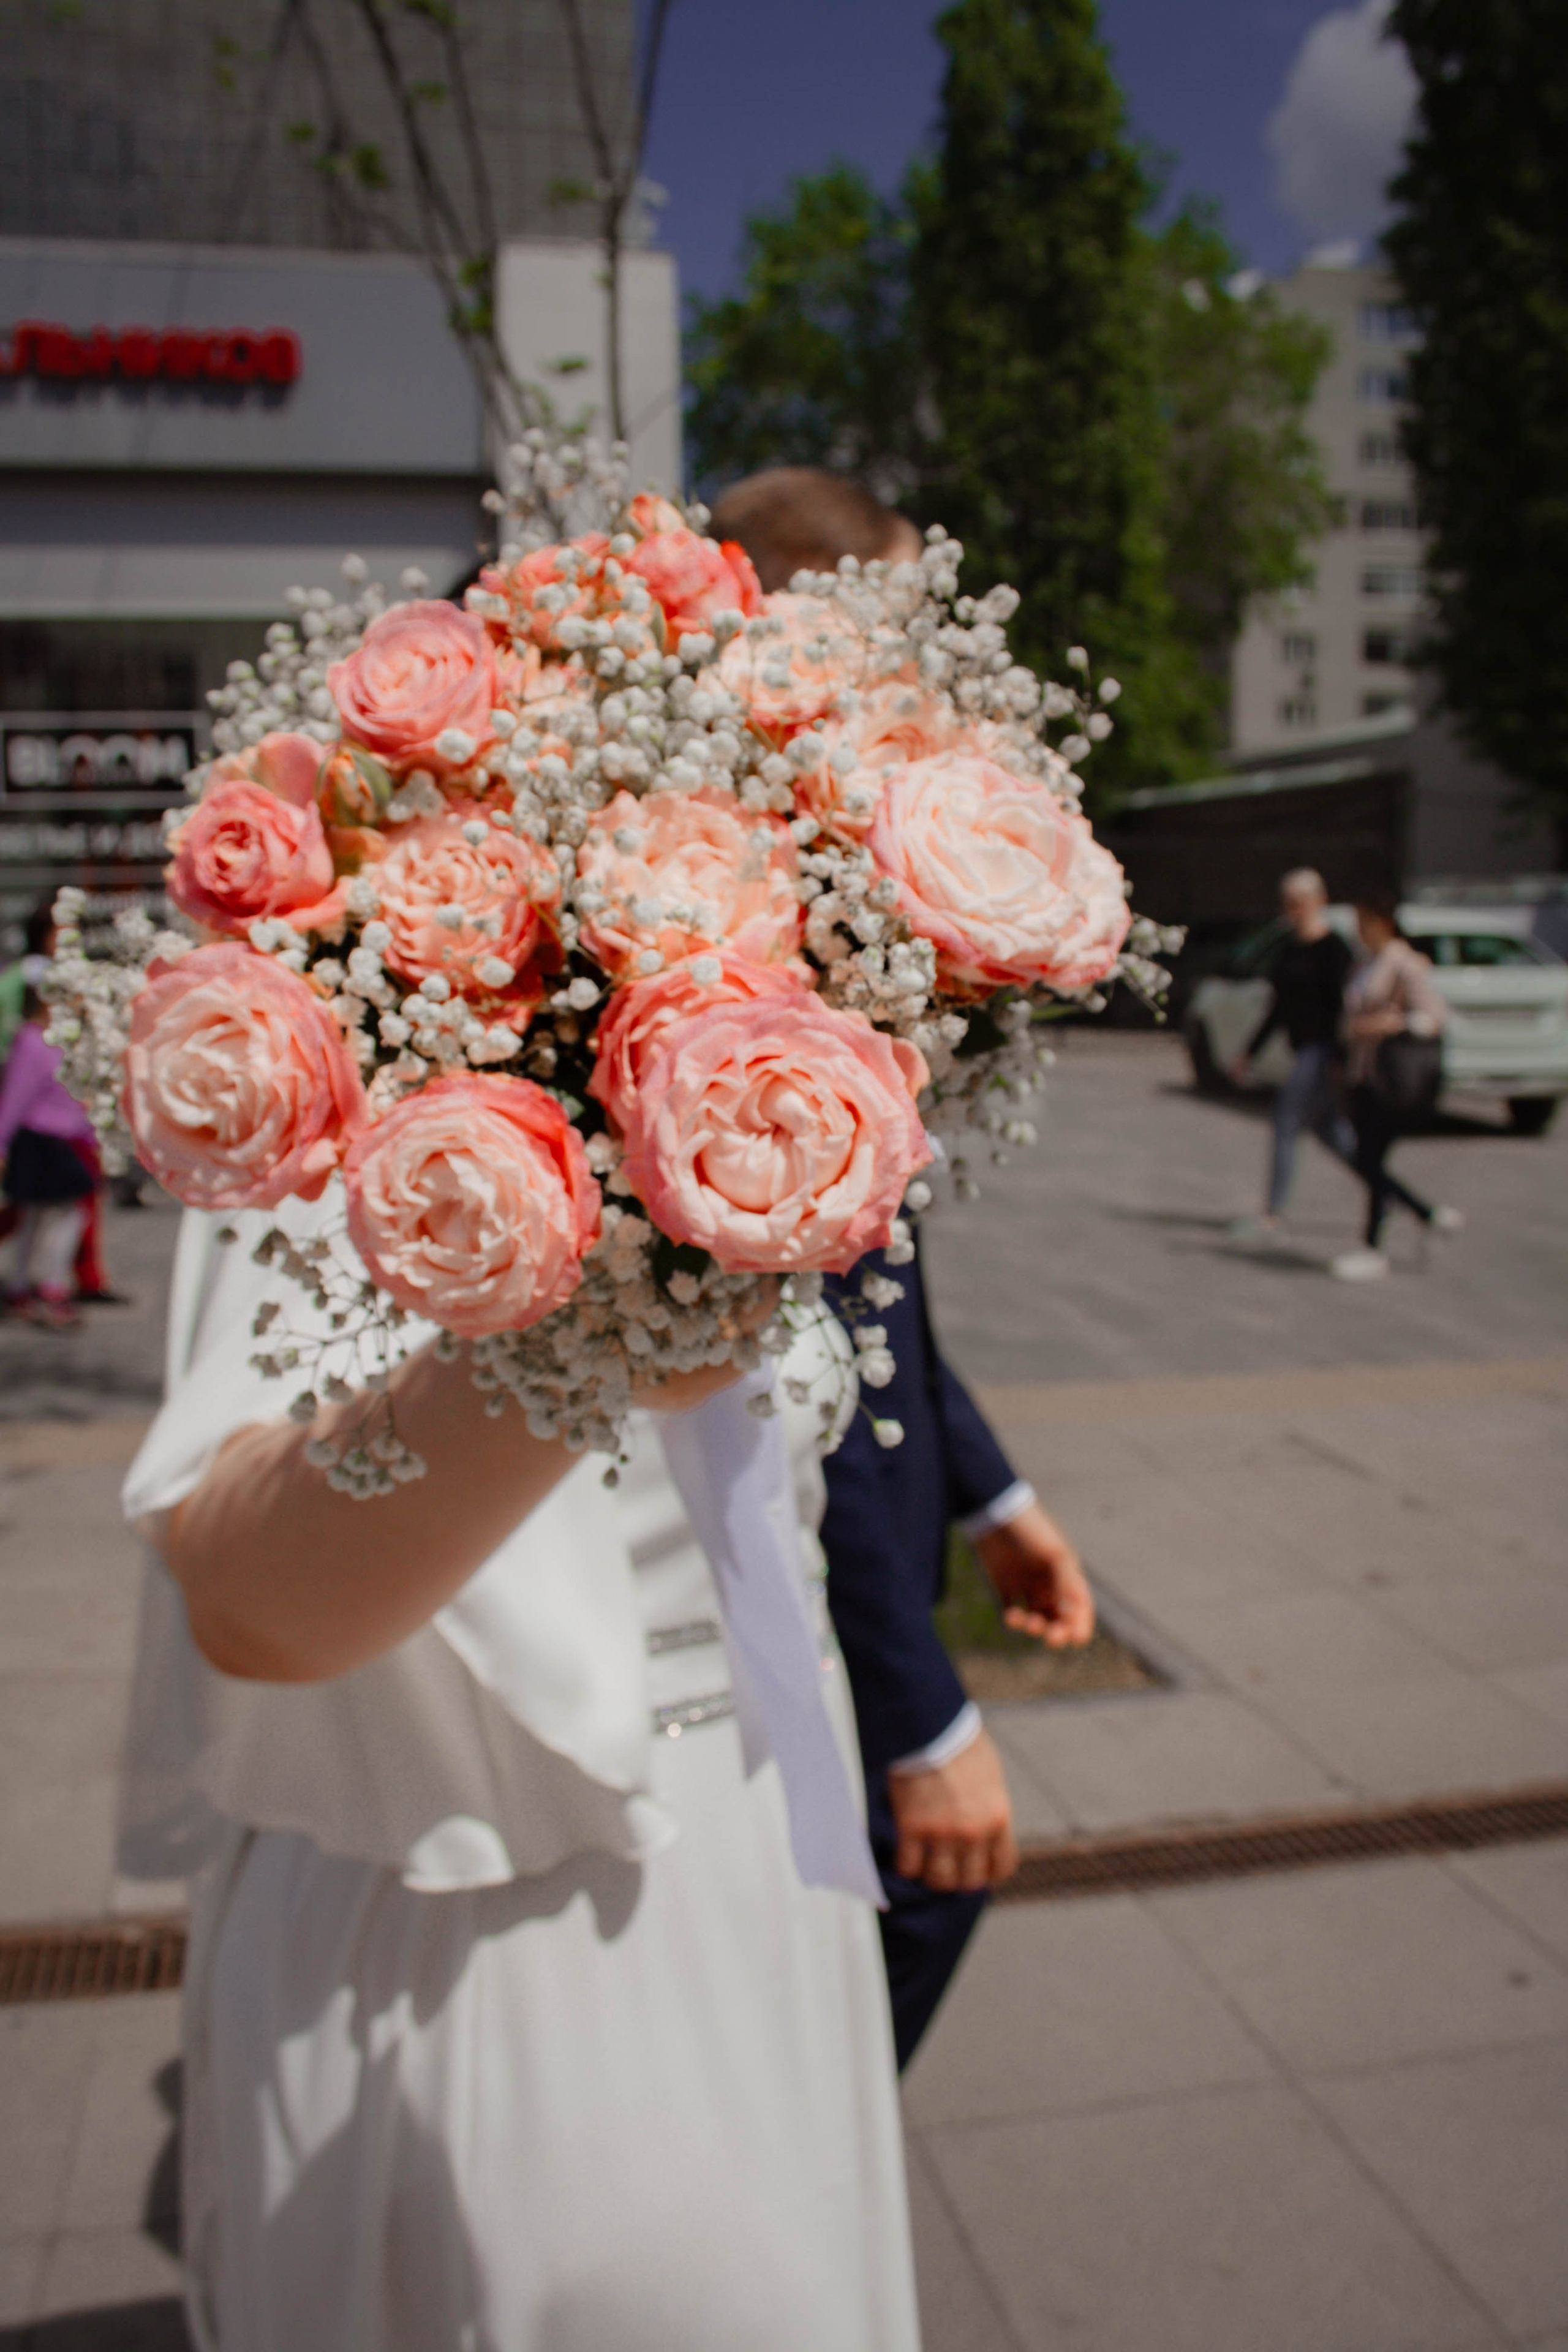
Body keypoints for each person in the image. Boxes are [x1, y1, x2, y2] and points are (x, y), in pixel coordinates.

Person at [119, 1199, 921, 2351]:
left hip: (755, 1854)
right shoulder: (337, 1092)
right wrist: (600, 1320)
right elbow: (247, 1593)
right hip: (488, 1892)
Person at [712, 466, 1096, 2068]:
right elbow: (795, 1369)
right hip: (809, 1578)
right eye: (897, 622)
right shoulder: (744, 925)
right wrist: (921, 1706)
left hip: (881, 1531)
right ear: (788, 595)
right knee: (905, 1901)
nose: (924, 674)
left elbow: (892, 1297)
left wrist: (996, 1499)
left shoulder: (840, 883)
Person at [1332, 886, 1463, 1282]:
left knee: (1368, 1161)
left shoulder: (1406, 964)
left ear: (1383, 922)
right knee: (1370, 1162)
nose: (1358, 930)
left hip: (1391, 1079)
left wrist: (1393, 1023)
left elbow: (1435, 1017)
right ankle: (1417, 1222)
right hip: (1363, 1076)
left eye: (1363, 922)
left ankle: (1403, 1230)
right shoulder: (1365, 963)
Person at [1227, 867, 1355, 1238]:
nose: (1292, 910)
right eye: (1288, 903)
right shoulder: (1289, 948)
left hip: (1322, 1051)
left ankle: (1272, 1213)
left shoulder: (1334, 950)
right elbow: (1278, 1007)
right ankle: (1386, 1188)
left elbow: (1342, 1008)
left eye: (1299, 903)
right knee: (1332, 1134)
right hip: (1301, 1047)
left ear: (1319, 901)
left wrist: (1339, 1058)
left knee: (1285, 1119)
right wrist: (1250, 1051)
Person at [0, 954, 100, 1329]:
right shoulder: (31, 1040)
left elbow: (76, 1096)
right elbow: (16, 1096)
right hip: (39, 1141)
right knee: (48, 1217)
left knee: (51, 1216)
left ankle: (26, 1285)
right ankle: (43, 1286)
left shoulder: (64, 1040)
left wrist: (91, 1133)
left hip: (61, 1139)